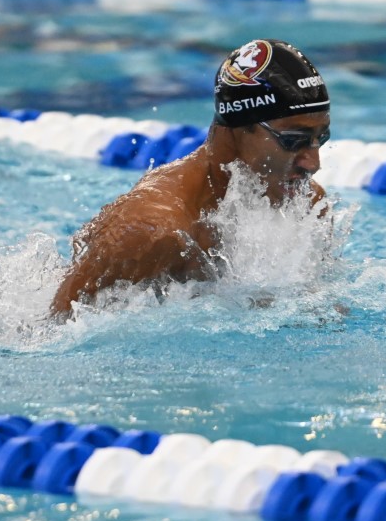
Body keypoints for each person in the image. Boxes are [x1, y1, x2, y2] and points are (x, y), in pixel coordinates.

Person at [50, 38, 331, 317]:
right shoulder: (152, 232)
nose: (313, 163)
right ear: (239, 128)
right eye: (294, 141)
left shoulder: (308, 205)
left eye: (322, 138)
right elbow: (54, 336)